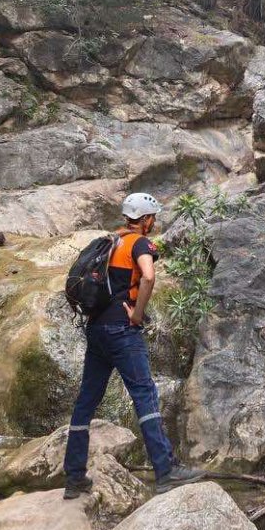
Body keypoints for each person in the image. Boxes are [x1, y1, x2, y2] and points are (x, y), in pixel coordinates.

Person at [62, 192, 204, 499]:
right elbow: (149, 277)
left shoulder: (111, 242)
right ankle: (165, 471)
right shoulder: (139, 243)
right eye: (153, 218)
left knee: (86, 402)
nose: (154, 223)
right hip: (122, 330)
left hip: (97, 328)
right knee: (144, 394)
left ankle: (74, 477)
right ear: (146, 219)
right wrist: (137, 315)